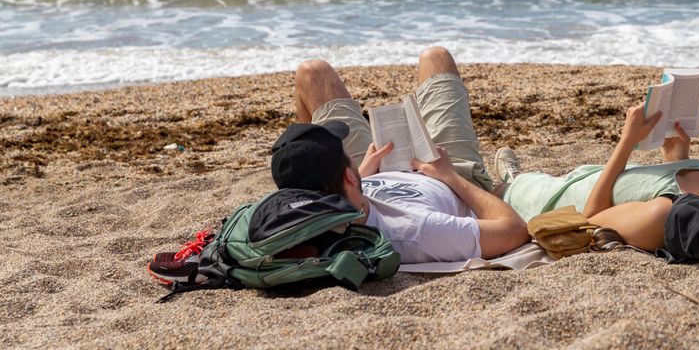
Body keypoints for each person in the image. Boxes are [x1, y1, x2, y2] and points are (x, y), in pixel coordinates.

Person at [149, 47, 529, 283]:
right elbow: (513, 231)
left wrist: (363, 174)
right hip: (448, 175)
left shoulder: (315, 207)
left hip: (370, 178)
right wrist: (450, 177)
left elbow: (342, 195)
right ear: (343, 173)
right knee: (436, 58)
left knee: (311, 72)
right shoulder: (413, 231)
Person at [496, 104, 699, 252]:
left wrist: (626, 141)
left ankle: (509, 181)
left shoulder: (662, 213)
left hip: (546, 199)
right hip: (579, 178)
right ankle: (513, 176)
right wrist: (678, 157)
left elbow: (591, 217)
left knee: (486, 182)